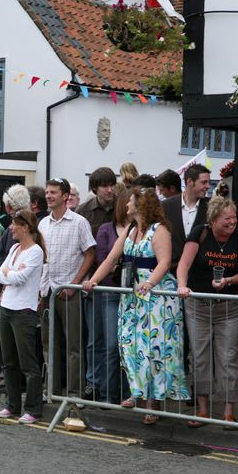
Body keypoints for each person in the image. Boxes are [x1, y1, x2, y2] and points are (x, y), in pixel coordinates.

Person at [84, 187, 189, 423]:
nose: (126, 205)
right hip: (132, 296)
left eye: (130, 202)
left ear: (140, 205)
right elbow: (112, 258)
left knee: (154, 349)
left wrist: (150, 283)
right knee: (130, 345)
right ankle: (137, 391)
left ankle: (154, 403)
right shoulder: (131, 229)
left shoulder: (159, 230)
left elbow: (163, 263)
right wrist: (93, 280)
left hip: (156, 298)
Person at [177, 197, 238, 429]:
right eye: (227, 218)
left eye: (234, 217)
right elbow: (184, 265)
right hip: (199, 306)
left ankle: (228, 412)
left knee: (229, 357)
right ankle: (203, 410)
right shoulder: (200, 233)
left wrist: (229, 280)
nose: (232, 222)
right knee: (200, 357)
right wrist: (182, 286)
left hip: (230, 307)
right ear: (214, 219)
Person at [39, 178, 96, 397]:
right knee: (48, 344)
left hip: (69, 291)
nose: (49, 196)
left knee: (74, 346)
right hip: (48, 291)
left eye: (53, 192)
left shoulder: (79, 222)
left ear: (65, 196)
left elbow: (90, 254)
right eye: (47, 192)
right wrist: (40, 288)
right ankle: (51, 389)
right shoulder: (43, 223)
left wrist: (74, 285)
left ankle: (75, 393)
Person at [0, 210, 46, 424]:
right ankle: (12, 405)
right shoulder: (15, 248)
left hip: (24, 311)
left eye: (15, 225)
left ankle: (33, 408)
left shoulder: (35, 251)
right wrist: (10, 274)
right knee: (8, 362)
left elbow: (21, 278)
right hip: (6, 308)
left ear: (25, 227)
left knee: (28, 364)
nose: (11, 228)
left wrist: (10, 273)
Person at [77, 167, 117, 400]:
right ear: (95, 188)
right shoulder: (84, 211)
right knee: (94, 339)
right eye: (104, 185)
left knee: (113, 343)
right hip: (92, 282)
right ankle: (93, 382)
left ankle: (110, 386)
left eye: (111, 184)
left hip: (115, 283)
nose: (109, 189)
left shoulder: (121, 208)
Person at [92, 188, 134, 404]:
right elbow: (104, 261)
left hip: (133, 295)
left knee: (128, 346)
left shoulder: (140, 231)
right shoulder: (107, 229)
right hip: (109, 292)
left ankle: (129, 394)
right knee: (110, 346)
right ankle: (109, 394)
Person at [162, 164, 211, 271]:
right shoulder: (166, 206)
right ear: (189, 182)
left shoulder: (212, 207)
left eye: (209, 182)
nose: (208, 186)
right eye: (204, 182)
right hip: (170, 272)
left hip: (201, 273)